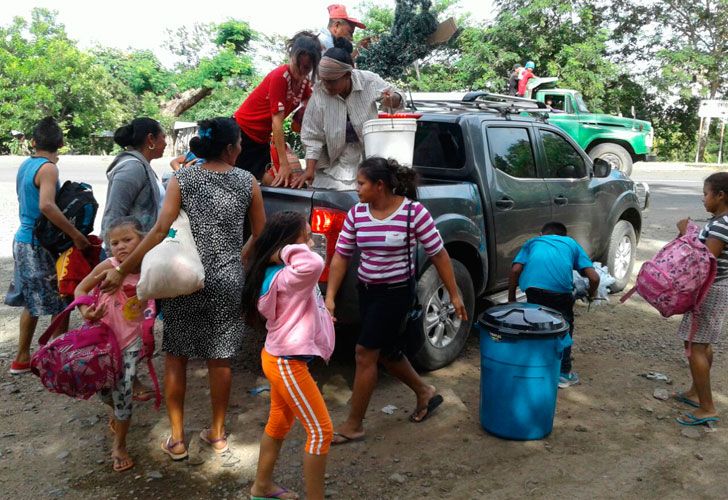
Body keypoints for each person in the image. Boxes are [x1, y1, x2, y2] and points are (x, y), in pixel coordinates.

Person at [98, 117, 266, 461]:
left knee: (176, 356)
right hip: (226, 280)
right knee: (220, 360)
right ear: (231, 147)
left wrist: (125, 269)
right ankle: (217, 434)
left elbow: (160, 230)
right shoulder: (248, 181)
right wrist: (239, 257)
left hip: (182, 277)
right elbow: (260, 233)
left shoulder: (182, 178)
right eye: (240, 144)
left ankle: (176, 440)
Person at [324, 157, 467, 443]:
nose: (357, 189)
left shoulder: (413, 213)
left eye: (361, 184)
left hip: (396, 294)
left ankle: (354, 425)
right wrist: (330, 297)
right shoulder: (357, 214)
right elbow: (341, 256)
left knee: (365, 353)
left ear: (380, 185)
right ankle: (425, 392)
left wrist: (454, 293)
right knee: (387, 352)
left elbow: (439, 253)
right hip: (367, 291)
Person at [242, 212, 335, 500]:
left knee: (279, 423)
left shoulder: (281, 274)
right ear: (286, 246)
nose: (309, 243)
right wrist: (282, 251)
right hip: (286, 362)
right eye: (305, 237)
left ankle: (262, 486)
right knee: (321, 431)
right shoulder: (289, 274)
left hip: (279, 357)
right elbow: (316, 262)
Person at [4, 117, 91, 375]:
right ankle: (55, 358)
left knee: (32, 301)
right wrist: (75, 234)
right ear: (61, 144)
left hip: (22, 239)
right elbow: (46, 205)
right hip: (37, 243)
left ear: (32, 142)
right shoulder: (48, 168)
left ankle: (22, 357)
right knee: (62, 298)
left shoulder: (26, 164)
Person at [74, 216, 152, 472]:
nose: (120, 246)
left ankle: (119, 445)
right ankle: (115, 409)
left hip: (130, 343)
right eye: (114, 242)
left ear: (142, 240)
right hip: (101, 340)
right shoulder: (108, 265)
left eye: (127, 240)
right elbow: (81, 290)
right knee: (104, 391)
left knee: (124, 393)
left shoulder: (150, 268)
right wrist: (85, 310)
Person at [294, 42, 403, 190]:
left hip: (368, 159)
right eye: (324, 81)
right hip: (333, 164)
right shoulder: (320, 91)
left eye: (332, 82)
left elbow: (398, 97)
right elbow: (312, 136)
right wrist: (309, 170)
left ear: (347, 75)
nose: (327, 86)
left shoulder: (369, 81)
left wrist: (393, 99)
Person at [508, 221, 599, 388]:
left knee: (535, 325)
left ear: (541, 234)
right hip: (560, 293)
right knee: (564, 328)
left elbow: (515, 270)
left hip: (533, 289)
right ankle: (563, 374)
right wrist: (591, 294)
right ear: (564, 236)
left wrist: (511, 298)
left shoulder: (533, 242)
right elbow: (594, 278)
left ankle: (534, 367)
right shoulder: (571, 243)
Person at [672, 173, 728, 426]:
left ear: (720, 195)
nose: (703, 199)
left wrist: (685, 235)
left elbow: (705, 261)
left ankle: (708, 407)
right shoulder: (719, 222)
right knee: (701, 345)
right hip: (715, 289)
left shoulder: (721, 225)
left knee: (695, 348)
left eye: (706, 194)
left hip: (710, 290)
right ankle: (696, 393)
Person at [234, 31, 321, 186]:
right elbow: (277, 123)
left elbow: (313, 109)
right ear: (291, 57)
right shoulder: (280, 76)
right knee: (240, 184)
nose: (300, 71)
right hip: (242, 134)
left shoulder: (304, 83)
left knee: (274, 183)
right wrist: (284, 164)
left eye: (306, 67)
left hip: (261, 140)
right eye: (297, 65)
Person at [102, 118, 167, 235]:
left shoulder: (142, 166)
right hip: (130, 250)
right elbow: (113, 215)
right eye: (163, 137)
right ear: (151, 139)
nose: (166, 143)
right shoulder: (132, 168)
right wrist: (112, 251)